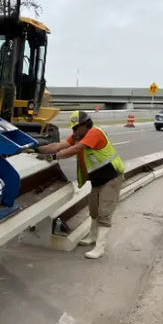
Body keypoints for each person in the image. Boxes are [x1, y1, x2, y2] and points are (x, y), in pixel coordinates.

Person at [36, 110, 124, 259]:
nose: (73, 131)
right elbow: (58, 145)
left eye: (76, 128)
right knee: (94, 210)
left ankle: (99, 248)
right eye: (72, 128)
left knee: (104, 212)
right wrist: (37, 149)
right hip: (98, 179)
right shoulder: (79, 135)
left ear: (84, 125)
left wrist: (53, 157)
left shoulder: (94, 133)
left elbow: (75, 149)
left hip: (111, 178)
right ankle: (92, 237)